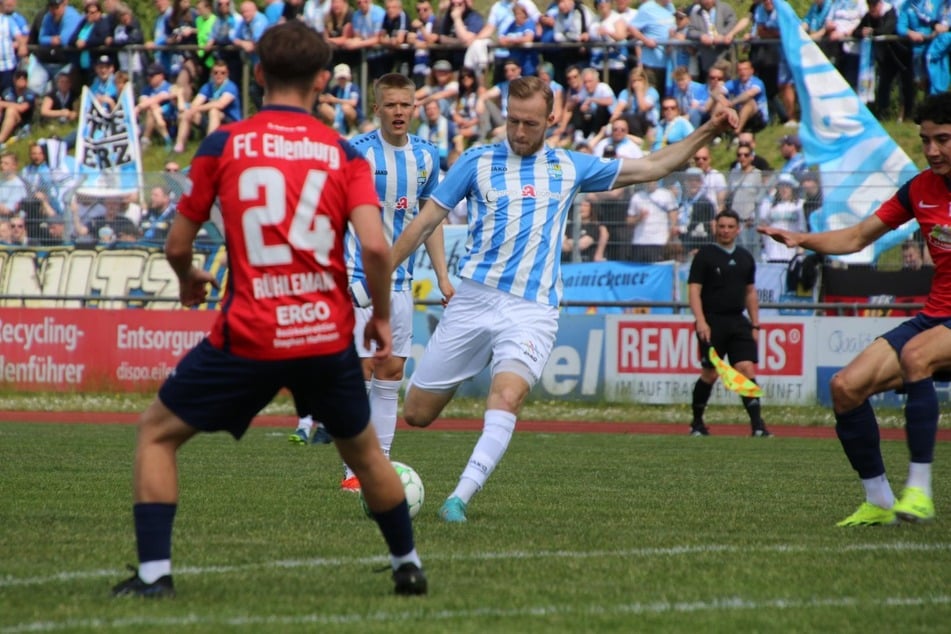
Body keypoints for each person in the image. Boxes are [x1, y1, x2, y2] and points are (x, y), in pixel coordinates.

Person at [110, 20, 427, 598]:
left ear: (258, 76)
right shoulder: (342, 153)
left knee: (156, 434)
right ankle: (408, 564)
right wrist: (380, 316)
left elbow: (178, 245)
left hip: (250, 331)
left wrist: (188, 279)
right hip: (326, 335)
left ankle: (154, 576)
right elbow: (377, 247)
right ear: (323, 80)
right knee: (366, 453)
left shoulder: (223, 143)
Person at [388, 75, 738, 523]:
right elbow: (424, 222)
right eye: (513, 121)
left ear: (551, 120)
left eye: (530, 123)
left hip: (532, 310)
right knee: (417, 413)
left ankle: (460, 496)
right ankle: (464, 366)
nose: (519, 132)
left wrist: (707, 130)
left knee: (508, 394)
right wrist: (384, 271)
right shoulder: (475, 161)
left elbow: (651, 167)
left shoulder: (569, 166)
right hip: (473, 299)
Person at [759, 92, 951, 527]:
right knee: (846, 387)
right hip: (937, 316)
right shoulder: (920, 188)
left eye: (943, 139)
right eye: (926, 140)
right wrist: (801, 239)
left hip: (934, 333)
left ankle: (918, 492)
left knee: (916, 355)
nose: (933, 150)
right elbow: (858, 237)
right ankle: (879, 501)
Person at [327, 73, 452, 491]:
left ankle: (378, 465)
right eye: (391, 105)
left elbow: (431, 219)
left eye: (406, 105)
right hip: (358, 280)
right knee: (362, 369)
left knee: (392, 370)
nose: (399, 112)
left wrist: (442, 275)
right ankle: (352, 472)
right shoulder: (355, 153)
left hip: (400, 284)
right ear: (376, 109)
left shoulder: (429, 157)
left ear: (414, 108)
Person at [687, 209, 771, 438]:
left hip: (738, 321)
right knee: (710, 374)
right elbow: (694, 290)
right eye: (721, 226)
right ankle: (697, 423)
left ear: (738, 229)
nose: (725, 231)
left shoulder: (745, 257)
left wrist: (755, 324)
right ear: (715, 227)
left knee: (746, 369)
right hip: (712, 321)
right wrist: (701, 321)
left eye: (730, 227)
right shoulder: (705, 255)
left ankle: (758, 426)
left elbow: (750, 292)